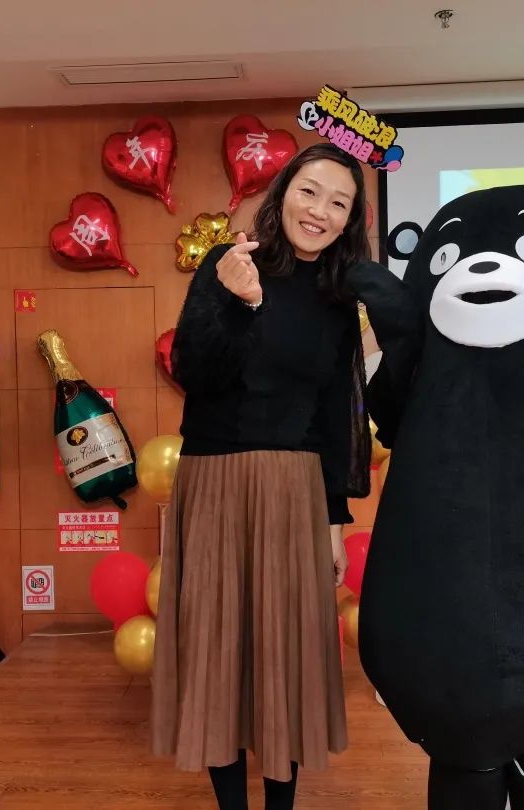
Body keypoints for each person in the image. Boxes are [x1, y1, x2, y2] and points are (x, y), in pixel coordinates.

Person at [150, 142, 373, 810]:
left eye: (339, 203)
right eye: (310, 191)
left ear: (350, 219)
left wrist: (334, 520)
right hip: (215, 482)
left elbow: (335, 418)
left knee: (287, 656)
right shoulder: (230, 263)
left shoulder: (338, 298)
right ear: (283, 193)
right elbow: (195, 372)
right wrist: (244, 305)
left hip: (296, 488)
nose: (321, 211)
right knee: (219, 654)